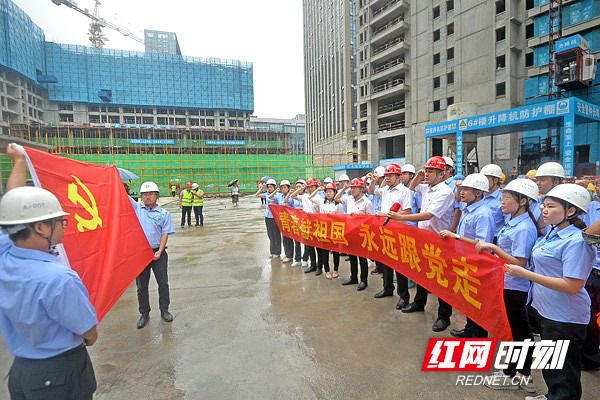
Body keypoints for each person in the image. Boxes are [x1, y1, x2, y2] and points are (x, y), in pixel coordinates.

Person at [0, 144, 99, 399]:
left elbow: (15, 207)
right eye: (60, 221)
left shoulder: (5, 254)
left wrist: (19, 161)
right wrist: (89, 335)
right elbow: (88, 332)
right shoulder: (57, 280)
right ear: (42, 228)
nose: (64, 226)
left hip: (22, 372)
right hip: (59, 374)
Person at [504, 184, 595, 400]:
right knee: (552, 366)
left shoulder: (576, 242)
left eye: (551, 206)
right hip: (546, 310)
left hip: (565, 316)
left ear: (570, 211)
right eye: (543, 206)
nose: (543, 210)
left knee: (563, 372)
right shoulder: (553, 233)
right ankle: (552, 395)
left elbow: (572, 286)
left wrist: (525, 274)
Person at [473, 178, 539, 392]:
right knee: (516, 330)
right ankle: (518, 373)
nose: (502, 202)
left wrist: (492, 247)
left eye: (506, 198)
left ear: (522, 202)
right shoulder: (513, 221)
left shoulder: (524, 228)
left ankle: (514, 375)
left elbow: (520, 262)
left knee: (516, 331)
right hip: (506, 282)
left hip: (515, 286)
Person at [387, 156, 455, 332]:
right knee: (422, 274)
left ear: (442, 174)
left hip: (439, 240)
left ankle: (444, 316)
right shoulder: (428, 188)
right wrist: (419, 175)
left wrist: (400, 217)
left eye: (431, 172)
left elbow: (428, 215)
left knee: (440, 280)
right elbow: (411, 187)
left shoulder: (445, 192)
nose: (427, 174)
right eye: (427, 171)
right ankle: (419, 303)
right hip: (423, 238)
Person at [440, 174, 495, 337]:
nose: (461, 193)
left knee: (477, 304)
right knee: (469, 302)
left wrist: (455, 236)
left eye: (466, 190)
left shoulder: (483, 214)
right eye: (461, 189)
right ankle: (469, 330)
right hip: (466, 261)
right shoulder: (468, 208)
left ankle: (478, 338)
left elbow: (481, 245)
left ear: (478, 193)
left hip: (477, 265)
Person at [131, 181, 175, 329]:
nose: (147, 197)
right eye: (144, 194)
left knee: (162, 283)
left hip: (158, 253)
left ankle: (164, 310)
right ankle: (144, 313)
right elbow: (121, 196)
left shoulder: (164, 214)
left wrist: (160, 251)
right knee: (141, 286)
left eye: (150, 194)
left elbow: (165, 234)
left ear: (157, 196)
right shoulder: (137, 209)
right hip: (141, 254)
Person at [367, 164, 413, 306]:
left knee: (400, 265)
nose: (387, 178)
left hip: (399, 231)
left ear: (398, 177)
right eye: (386, 175)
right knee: (386, 261)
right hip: (385, 231)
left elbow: (407, 211)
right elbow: (372, 191)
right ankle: (387, 288)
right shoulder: (385, 190)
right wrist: (373, 180)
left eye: (390, 175)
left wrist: (387, 214)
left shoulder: (405, 191)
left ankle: (403, 296)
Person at [335, 177, 373, 290]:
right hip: (350, 232)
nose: (353, 190)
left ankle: (364, 280)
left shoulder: (367, 202)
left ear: (361, 188)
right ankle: (353, 277)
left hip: (361, 233)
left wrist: (358, 216)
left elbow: (371, 220)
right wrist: (344, 189)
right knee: (352, 257)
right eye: (352, 187)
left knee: (362, 258)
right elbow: (337, 198)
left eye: (355, 187)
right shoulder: (349, 199)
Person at [581, 190, 600, 371]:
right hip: (594, 271)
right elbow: (587, 236)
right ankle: (590, 357)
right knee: (591, 317)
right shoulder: (593, 207)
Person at [309, 183, 344, 279]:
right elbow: (311, 197)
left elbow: (341, 218)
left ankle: (336, 269)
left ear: (335, 192)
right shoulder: (321, 202)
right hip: (324, 230)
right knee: (325, 251)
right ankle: (327, 270)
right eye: (327, 192)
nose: (328, 194)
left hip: (334, 230)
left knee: (336, 251)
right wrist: (318, 190)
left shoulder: (339, 205)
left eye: (330, 191)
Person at [291, 178, 320, 272]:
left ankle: (319, 267)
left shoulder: (320, 197)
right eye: (309, 187)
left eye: (313, 187)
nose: (311, 189)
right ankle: (312, 265)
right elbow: (293, 195)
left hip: (317, 224)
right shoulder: (304, 197)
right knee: (309, 245)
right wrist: (300, 189)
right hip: (307, 224)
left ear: (316, 187)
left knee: (319, 247)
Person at [269, 179, 294, 263]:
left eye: (285, 188)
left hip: (289, 221)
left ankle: (290, 256)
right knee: (285, 238)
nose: (283, 189)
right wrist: (276, 191)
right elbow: (270, 197)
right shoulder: (279, 196)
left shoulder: (291, 196)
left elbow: (289, 204)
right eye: (282, 188)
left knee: (289, 238)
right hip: (282, 221)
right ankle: (287, 254)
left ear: (288, 188)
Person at [255, 179, 281, 259]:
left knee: (276, 235)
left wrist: (275, 192)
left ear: (274, 187)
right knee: (270, 235)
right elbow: (257, 194)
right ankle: (272, 251)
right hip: (268, 217)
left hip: (275, 218)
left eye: (271, 187)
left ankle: (277, 252)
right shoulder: (266, 194)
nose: (269, 188)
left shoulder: (278, 195)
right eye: (268, 187)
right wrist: (262, 188)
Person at [480, 164, 505, 236]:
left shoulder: (503, 198)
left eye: (486, 179)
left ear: (496, 180)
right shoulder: (478, 195)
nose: (483, 182)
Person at [286, 179, 305, 267]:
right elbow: (286, 202)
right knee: (297, 240)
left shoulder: (307, 196)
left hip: (305, 221)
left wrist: (302, 208)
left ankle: (305, 258)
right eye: (297, 186)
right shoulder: (294, 197)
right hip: (296, 221)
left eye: (300, 186)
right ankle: (298, 259)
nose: (298, 188)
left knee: (306, 241)